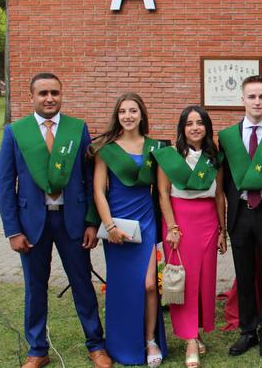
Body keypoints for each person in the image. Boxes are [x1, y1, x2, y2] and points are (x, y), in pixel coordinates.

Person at [0, 72, 112, 368]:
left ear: (62, 95)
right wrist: (12, 230)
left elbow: (89, 180)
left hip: (71, 221)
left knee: (82, 283)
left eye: (55, 93)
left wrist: (91, 223)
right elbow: (5, 183)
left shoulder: (77, 128)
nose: (49, 98)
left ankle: (96, 345)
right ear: (31, 96)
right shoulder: (16, 132)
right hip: (31, 224)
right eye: (43, 93)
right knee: (35, 288)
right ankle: (37, 350)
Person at [91, 93, 168, 366]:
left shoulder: (155, 147)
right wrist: (110, 226)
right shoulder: (106, 148)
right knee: (122, 288)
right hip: (117, 226)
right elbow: (99, 191)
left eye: (133, 110)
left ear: (141, 114)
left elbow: (160, 192)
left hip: (146, 223)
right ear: (117, 115)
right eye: (123, 111)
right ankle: (122, 344)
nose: (128, 116)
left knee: (148, 285)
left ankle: (150, 340)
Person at [153, 106, 227, 368]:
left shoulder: (214, 156)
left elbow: (219, 195)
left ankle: (195, 330)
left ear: (207, 127)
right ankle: (190, 340)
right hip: (180, 222)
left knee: (204, 280)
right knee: (183, 281)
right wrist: (172, 227)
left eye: (200, 122)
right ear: (182, 128)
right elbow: (163, 193)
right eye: (189, 123)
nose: (195, 127)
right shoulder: (170, 156)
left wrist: (222, 230)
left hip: (208, 221)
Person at [218, 76, 262, 358]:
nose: (257, 102)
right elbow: (224, 182)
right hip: (241, 213)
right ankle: (247, 331)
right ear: (242, 100)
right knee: (244, 275)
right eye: (252, 96)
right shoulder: (227, 137)